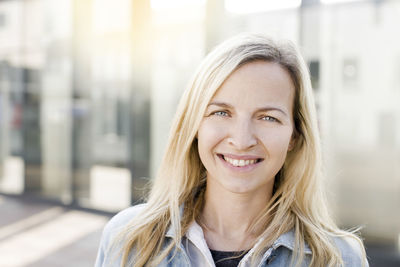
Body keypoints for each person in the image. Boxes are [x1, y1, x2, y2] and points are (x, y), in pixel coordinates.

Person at [95, 33, 368, 267]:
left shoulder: (340, 259)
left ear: (294, 135)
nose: (241, 139)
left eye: (268, 117)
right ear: (194, 125)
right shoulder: (127, 240)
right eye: (221, 112)